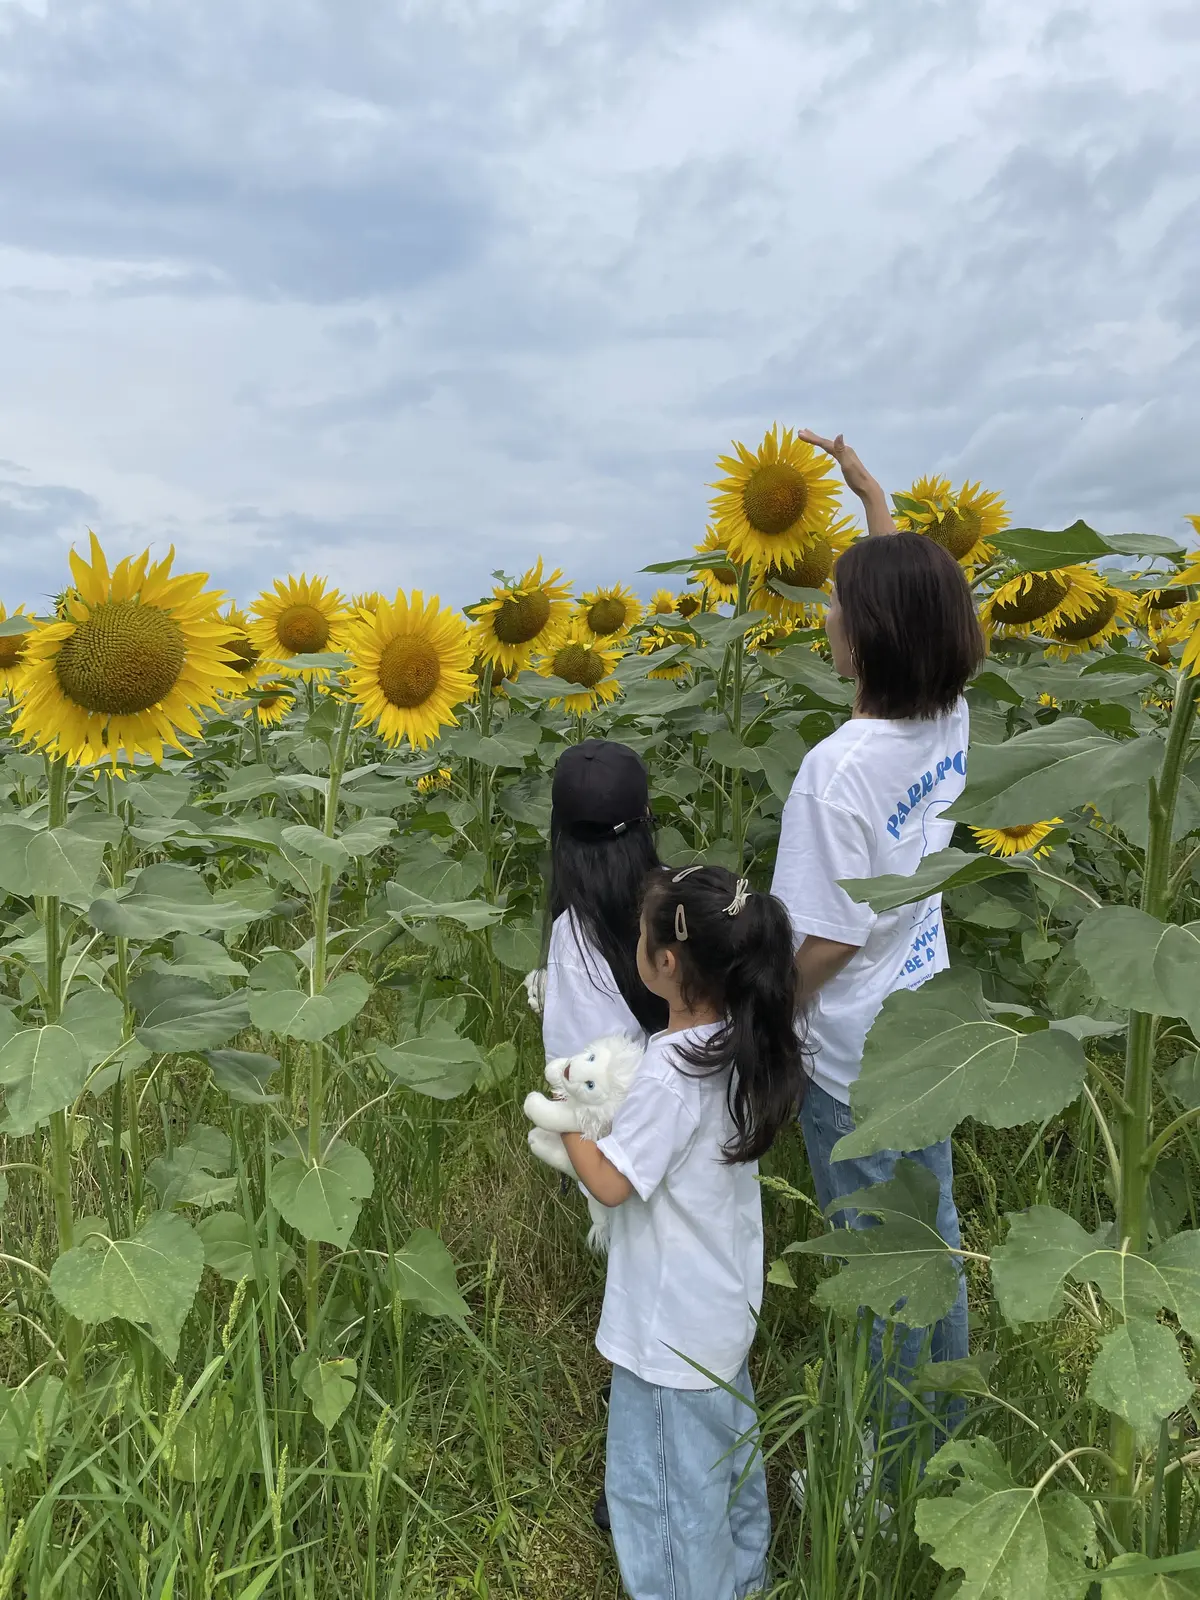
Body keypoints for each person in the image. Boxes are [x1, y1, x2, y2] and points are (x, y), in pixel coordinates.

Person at [771, 431, 986, 1469]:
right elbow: (916, 606)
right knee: (934, 1238)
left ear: (868, 635)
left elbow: (828, 936)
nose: (827, 612)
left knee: (876, 1270)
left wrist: (762, 1013)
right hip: (926, 1032)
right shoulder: (950, 719)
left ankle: (880, 1482)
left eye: (839, 604)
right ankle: (948, 1434)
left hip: (853, 1055)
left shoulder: (835, 773)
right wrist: (875, 505)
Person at [554, 864, 808, 1600]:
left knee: (663, 1496)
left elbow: (610, 1182)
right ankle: (746, 1580)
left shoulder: (669, 1073)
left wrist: (567, 1119)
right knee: (726, 1468)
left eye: (641, 937)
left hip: (667, 1335)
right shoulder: (736, 1045)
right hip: (720, 1313)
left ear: (666, 962)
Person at [540, 737, 668, 1533]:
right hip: (693, 1141)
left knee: (641, 1319)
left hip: (621, 1157)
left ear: (558, 838)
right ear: (648, 819)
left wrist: (584, 1156)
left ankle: (636, 1488)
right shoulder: (678, 906)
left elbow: (573, 1076)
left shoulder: (573, 942)